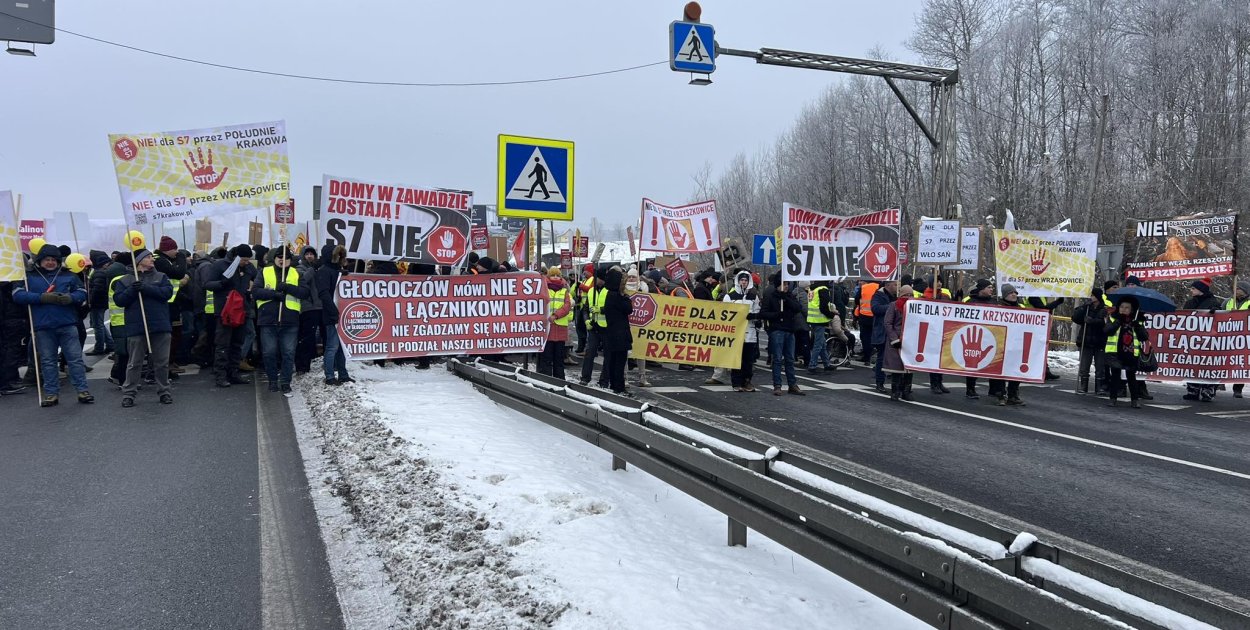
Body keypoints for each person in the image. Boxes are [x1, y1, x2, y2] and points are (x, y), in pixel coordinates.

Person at [13, 244, 93, 406]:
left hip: (67, 324)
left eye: (53, 260)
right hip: (43, 326)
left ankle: (82, 391)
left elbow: (83, 293)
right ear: (40, 260)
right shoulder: (29, 276)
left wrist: (71, 298)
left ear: (58, 261)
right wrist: (41, 298)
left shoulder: (69, 275)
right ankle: (51, 393)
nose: (50, 262)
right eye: (46, 259)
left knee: (75, 360)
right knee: (48, 361)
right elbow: (18, 295)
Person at [112, 249, 175, 407]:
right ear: (138, 261)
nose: (152, 259)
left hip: (160, 325)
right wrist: (132, 289)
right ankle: (129, 393)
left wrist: (146, 288)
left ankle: (164, 391)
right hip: (137, 327)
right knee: (134, 362)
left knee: (162, 362)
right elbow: (119, 300)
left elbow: (167, 293)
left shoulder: (161, 277)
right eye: (148, 257)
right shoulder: (125, 280)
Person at [254, 247, 310, 396]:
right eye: (278, 256)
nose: (281, 259)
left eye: (284, 257)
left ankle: (285, 382)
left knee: (289, 353)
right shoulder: (264, 272)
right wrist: (273, 294)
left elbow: (305, 293)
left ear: (290, 260)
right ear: (275, 258)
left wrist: (288, 288)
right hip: (268, 319)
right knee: (269, 353)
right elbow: (255, 292)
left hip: (290, 320)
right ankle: (273, 380)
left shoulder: (296, 273)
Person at [203, 244, 257, 388]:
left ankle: (233, 373)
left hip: (242, 310)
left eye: (248, 260)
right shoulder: (220, 265)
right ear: (237, 257)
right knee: (223, 344)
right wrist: (222, 283)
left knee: (237, 344)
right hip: (225, 310)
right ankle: (220, 375)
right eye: (244, 260)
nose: (246, 263)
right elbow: (207, 284)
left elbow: (256, 279)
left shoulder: (249, 268)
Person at [759, 272, 805, 396]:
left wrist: (787, 299)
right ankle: (777, 385)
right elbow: (763, 313)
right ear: (778, 285)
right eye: (784, 284)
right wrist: (776, 315)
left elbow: (798, 308)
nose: (786, 286)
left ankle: (792, 384)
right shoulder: (771, 296)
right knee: (778, 359)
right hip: (777, 330)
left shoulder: (790, 296)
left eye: (787, 284)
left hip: (789, 330)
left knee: (790, 359)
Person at [315, 244, 352, 385]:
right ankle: (330, 376)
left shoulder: (336, 271)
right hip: (332, 313)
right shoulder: (324, 271)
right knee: (332, 346)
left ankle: (343, 374)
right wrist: (333, 311)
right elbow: (323, 293)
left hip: (340, 312)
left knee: (341, 347)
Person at [1104, 296, 1149, 408]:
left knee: (1131, 377)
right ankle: (1113, 398)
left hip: (1130, 352)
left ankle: (1134, 400)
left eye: (1127, 307)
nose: (1123, 309)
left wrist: (1138, 326)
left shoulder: (1137, 321)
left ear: (1132, 310)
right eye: (1121, 307)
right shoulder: (1113, 318)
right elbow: (1107, 331)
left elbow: (1144, 337)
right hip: (1115, 352)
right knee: (1115, 376)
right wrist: (1118, 322)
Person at [1183, 278, 1223, 401]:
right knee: (1192, 364)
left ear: (1201, 290)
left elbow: (1221, 319)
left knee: (1208, 366)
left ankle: (1208, 391)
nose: (1191, 290)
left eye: (1193, 288)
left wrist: (1217, 312)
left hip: (1208, 340)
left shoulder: (1213, 303)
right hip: (1192, 339)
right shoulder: (1190, 303)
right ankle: (1193, 390)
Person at [153, 237, 188, 375]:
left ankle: (170, 362)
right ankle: (166, 363)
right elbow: (178, 273)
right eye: (175, 249)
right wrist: (181, 257)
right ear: (168, 249)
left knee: (175, 333)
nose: (177, 252)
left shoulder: (163, 260)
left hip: (171, 302)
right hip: (167, 304)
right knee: (170, 335)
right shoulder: (160, 261)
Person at [724, 270, 761, 392]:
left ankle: (747, 381)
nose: (743, 282)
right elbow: (724, 314)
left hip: (750, 333)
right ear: (737, 281)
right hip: (735, 333)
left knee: (748, 360)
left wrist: (754, 317)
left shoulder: (753, 296)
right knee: (736, 359)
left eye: (745, 280)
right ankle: (736, 383)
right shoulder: (730, 296)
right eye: (742, 280)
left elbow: (758, 311)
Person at [601, 267, 634, 395]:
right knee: (619, 362)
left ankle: (615, 385)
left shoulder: (610, 294)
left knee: (614, 361)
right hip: (619, 334)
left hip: (613, 333)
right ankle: (618, 387)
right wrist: (626, 296)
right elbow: (628, 308)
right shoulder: (617, 296)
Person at [961, 279, 996, 399]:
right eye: (989, 287)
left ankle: (994, 389)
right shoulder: (971, 302)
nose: (991, 289)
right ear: (981, 289)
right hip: (975, 336)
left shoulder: (994, 302)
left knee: (994, 364)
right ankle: (970, 389)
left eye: (992, 287)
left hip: (991, 336)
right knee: (973, 363)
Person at [992, 285, 1026, 406]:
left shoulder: (1021, 307)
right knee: (1001, 371)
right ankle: (1001, 395)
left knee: (1015, 370)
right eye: (1011, 293)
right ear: (1005, 295)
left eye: (1015, 293)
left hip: (1017, 343)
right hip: (1001, 343)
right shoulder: (998, 307)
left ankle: (1013, 395)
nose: (1014, 295)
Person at [1073, 287, 1110, 395]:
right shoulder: (1087, 307)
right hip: (1086, 341)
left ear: (1098, 297)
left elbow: (1104, 323)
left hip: (1099, 341)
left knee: (1100, 366)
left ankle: (1099, 387)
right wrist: (1082, 309)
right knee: (1084, 366)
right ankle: (1083, 386)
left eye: (1093, 295)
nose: (1091, 297)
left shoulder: (1104, 309)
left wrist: (1092, 321)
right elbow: (1075, 318)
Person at [538, 267, 572, 379]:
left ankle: (559, 380)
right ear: (548, 276)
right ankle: (546, 380)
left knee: (559, 359)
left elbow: (567, 306)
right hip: (547, 329)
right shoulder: (544, 289)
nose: (556, 277)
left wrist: (555, 315)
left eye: (558, 275)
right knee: (547, 358)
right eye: (553, 275)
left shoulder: (564, 291)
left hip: (560, 329)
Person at [882, 279, 914, 401]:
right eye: (906, 295)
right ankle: (895, 392)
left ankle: (906, 391)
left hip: (911, 341)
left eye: (911, 295)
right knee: (897, 368)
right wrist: (894, 339)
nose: (908, 297)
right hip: (897, 341)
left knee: (909, 368)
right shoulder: (893, 305)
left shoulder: (916, 307)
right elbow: (888, 323)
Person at [806, 280, 848, 372]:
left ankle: (826, 363)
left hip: (812, 319)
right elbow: (823, 308)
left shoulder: (812, 289)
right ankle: (812, 365)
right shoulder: (823, 289)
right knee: (819, 343)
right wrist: (832, 315)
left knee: (822, 343)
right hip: (819, 320)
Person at [578, 269, 609, 387]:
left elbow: (612, 308)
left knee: (607, 355)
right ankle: (585, 378)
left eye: (598, 279)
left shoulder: (608, 291)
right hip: (593, 326)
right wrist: (586, 320)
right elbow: (586, 308)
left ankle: (604, 381)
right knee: (589, 353)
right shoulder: (591, 291)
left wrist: (601, 310)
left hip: (606, 327)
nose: (596, 281)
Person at [294, 246, 323, 374]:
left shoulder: (318, 269)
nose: (310, 256)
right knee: (306, 337)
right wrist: (312, 270)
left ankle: (309, 361)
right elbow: (302, 280)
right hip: (307, 307)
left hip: (318, 306)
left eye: (312, 254)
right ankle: (302, 366)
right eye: (307, 254)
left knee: (312, 337)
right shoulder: (300, 268)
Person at [623, 266, 651, 387]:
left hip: (640, 324)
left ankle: (642, 377)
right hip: (627, 323)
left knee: (640, 352)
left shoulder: (642, 287)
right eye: (629, 276)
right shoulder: (623, 289)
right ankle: (624, 378)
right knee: (624, 352)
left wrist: (641, 288)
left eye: (634, 276)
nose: (631, 279)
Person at [870, 279, 898, 393]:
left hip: (893, 332)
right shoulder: (878, 295)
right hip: (882, 332)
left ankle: (895, 382)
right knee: (881, 358)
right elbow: (875, 309)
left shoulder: (895, 297)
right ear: (887, 285)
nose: (897, 286)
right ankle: (879, 382)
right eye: (895, 284)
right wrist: (892, 307)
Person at [86, 250, 116, 355]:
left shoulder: (98, 272)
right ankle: (110, 344)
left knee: (97, 325)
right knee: (99, 324)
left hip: (97, 303)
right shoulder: (101, 272)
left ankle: (99, 347)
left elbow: (96, 289)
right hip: (101, 302)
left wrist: (90, 302)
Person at [1228, 281, 1250, 398]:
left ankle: (1238, 388)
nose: (1236, 291)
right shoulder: (1229, 301)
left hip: (1244, 337)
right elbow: (1219, 311)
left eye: (1239, 289)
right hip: (1227, 335)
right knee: (1222, 360)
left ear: (1245, 291)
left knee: (1241, 362)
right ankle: (1219, 383)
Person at [856, 280, 879, 364]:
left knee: (865, 337)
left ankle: (867, 357)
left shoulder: (863, 287)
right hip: (875, 316)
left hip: (864, 316)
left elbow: (856, 300)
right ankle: (874, 352)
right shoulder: (879, 286)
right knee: (874, 336)